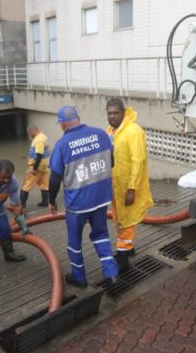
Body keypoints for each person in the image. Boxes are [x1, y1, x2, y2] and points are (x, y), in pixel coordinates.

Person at [48, 106, 120, 288]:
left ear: (63, 124)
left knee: (74, 241)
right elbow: (111, 160)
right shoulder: (101, 134)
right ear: (78, 118)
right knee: (101, 234)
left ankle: (79, 277)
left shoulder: (62, 145)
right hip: (100, 199)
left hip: (77, 204)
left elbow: (55, 178)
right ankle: (111, 274)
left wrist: (51, 201)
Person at [106, 98, 154, 272]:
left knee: (126, 221)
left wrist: (131, 189)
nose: (112, 116)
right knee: (120, 219)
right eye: (109, 113)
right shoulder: (111, 131)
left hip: (128, 187)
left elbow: (138, 161)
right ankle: (127, 248)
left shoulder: (134, 131)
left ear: (123, 112)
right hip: (115, 186)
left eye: (115, 113)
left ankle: (123, 260)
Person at [20, 125, 51, 209]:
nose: (30, 135)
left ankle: (21, 206)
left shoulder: (38, 140)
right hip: (44, 167)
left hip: (37, 168)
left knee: (26, 186)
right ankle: (45, 202)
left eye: (30, 133)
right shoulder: (42, 136)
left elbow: (39, 155)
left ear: (32, 131)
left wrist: (34, 169)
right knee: (44, 185)